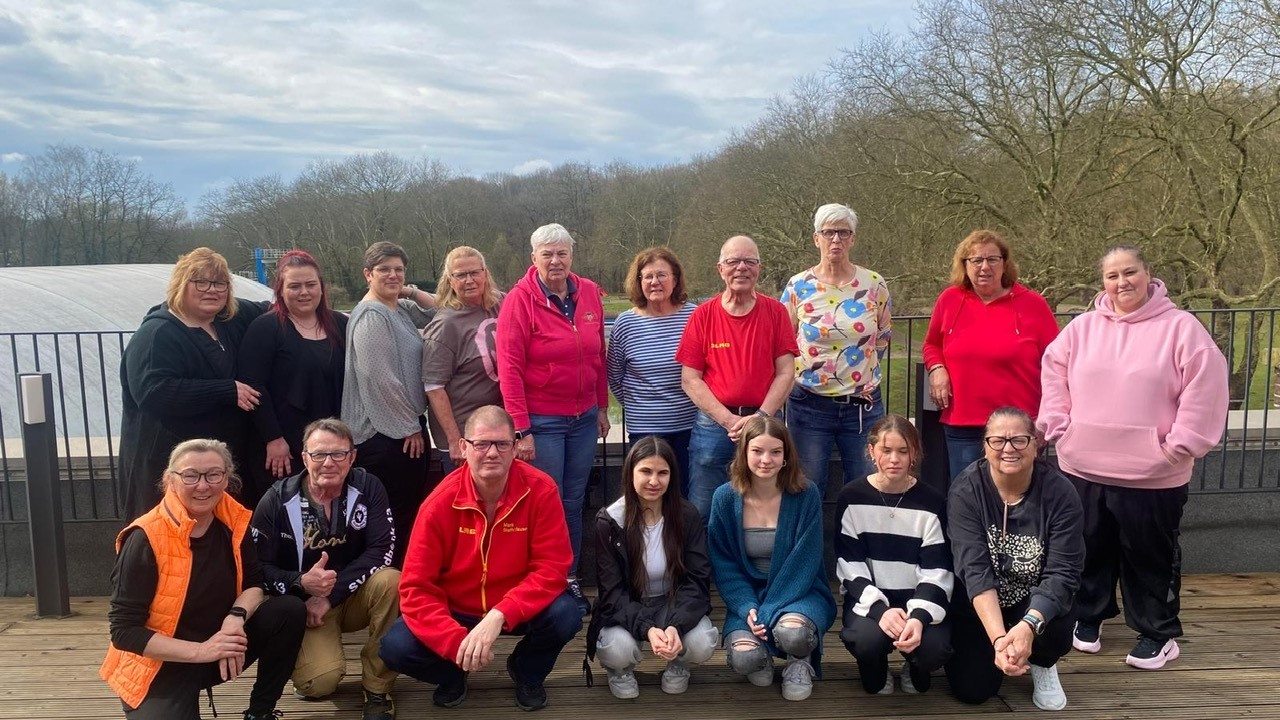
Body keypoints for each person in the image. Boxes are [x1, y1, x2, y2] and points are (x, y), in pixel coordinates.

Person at [1038, 246, 1228, 670]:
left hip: (1154, 473)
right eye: (1112, 275)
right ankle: (1088, 617)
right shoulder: (1082, 328)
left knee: (1149, 556)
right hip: (1083, 466)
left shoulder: (1183, 329)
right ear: (1101, 282)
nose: (1122, 282)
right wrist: (1060, 428)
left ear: (1148, 274)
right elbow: (1053, 374)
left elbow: (1206, 388)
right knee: (1088, 548)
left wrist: (1176, 447)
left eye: (1130, 272)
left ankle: (1157, 632)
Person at [379, 406, 582, 712]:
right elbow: (416, 588)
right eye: (481, 444)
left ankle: (526, 672)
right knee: (395, 647)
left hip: (514, 607)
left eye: (501, 444)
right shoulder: (438, 503)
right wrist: (456, 643)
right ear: (463, 447)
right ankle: (452, 676)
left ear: (515, 447)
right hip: (456, 610)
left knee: (567, 613)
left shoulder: (541, 490)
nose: (491, 453)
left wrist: (500, 614)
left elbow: (552, 569)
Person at [101, 439, 305, 720]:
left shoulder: (235, 521)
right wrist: (201, 651)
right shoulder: (145, 538)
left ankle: (260, 712)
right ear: (170, 480)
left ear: (226, 478)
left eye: (213, 475)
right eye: (190, 475)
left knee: (289, 610)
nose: (203, 485)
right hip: (161, 662)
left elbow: (254, 585)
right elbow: (124, 632)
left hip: (221, 644)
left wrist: (234, 620)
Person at [252, 418, 400, 720]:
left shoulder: (369, 486)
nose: (329, 462)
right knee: (318, 684)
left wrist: (330, 596)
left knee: (393, 581)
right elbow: (256, 568)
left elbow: (382, 549)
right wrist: (300, 583)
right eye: (319, 454)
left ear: (353, 457)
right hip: (304, 607)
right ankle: (312, 662)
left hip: (353, 595)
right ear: (304, 457)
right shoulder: (276, 500)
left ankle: (377, 687)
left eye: (338, 454)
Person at [497, 223, 609, 614]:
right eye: (547, 254)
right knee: (544, 503)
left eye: (562, 253)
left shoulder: (590, 293)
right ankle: (540, 582)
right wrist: (521, 428)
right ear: (534, 258)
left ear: (572, 255)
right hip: (541, 421)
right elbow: (509, 368)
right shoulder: (520, 300)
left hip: (581, 420)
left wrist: (601, 408)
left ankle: (569, 577)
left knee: (574, 501)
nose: (556, 261)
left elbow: (598, 357)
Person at [944, 407, 1083, 711]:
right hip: (980, 604)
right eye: (998, 441)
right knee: (973, 690)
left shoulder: (1060, 493)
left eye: (1019, 440)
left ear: (1036, 444)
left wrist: (1027, 627)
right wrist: (999, 640)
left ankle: (1043, 663)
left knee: (1058, 625)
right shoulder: (966, 491)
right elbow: (974, 571)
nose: (1008, 449)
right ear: (985, 446)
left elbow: (1063, 572)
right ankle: (1004, 650)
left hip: (1031, 601)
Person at [119, 247, 267, 520]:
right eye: (201, 282)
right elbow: (153, 392)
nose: (212, 290)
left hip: (217, 469)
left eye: (220, 283)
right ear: (180, 285)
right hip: (169, 468)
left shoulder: (227, 319)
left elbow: (278, 307)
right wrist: (226, 390)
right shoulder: (157, 334)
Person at [707, 416, 835, 702]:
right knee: (744, 660)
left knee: (793, 636)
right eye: (757, 451)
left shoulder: (806, 494)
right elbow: (724, 563)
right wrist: (747, 606)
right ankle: (761, 653)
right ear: (744, 453)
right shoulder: (724, 498)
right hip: (751, 596)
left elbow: (806, 561)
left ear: (786, 456)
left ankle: (799, 661)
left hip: (799, 592)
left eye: (775, 452)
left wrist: (770, 609)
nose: (766, 460)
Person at [677, 236, 799, 520]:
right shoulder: (703, 315)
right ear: (720, 268)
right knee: (704, 511)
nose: (741, 268)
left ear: (759, 267)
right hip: (714, 426)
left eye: (749, 261)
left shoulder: (775, 312)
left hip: (766, 423)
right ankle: (706, 566)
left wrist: (761, 416)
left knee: (765, 509)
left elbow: (786, 372)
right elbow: (690, 379)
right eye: (733, 261)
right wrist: (728, 420)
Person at [586, 437, 717, 699]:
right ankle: (620, 670)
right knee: (616, 648)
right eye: (645, 471)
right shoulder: (610, 521)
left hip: (672, 601)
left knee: (702, 641)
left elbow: (697, 581)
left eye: (662, 473)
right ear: (630, 472)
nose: (654, 481)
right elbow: (611, 593)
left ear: (672, 476)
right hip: (629, 603)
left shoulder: (686, 515)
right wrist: (647, 627)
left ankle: (679, 665)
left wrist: (675, 627)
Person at [922, 230, 1059, 480]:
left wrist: (1045, 417)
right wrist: (937, 368)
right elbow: (932, 344)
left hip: (1017, 426)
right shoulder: (949, 300)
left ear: (1004, 263)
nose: (984, 267)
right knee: (967, 497)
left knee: (1018, 497)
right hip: (963, 422)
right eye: (976, 260)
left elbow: (1057, 365)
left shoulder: (1033, 305)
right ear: (964, 265)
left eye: (992, 259)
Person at [835, 414, 952, 695]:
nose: (894, 459)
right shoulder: (852, 497)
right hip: (871, 600)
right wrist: (880, 611)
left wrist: (918, 617)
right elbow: (850, 565)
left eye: (903, 451)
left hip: (917, 598)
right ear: (871, 451)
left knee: (933, 649)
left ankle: (915, 665)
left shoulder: (932, 501)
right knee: (868, 644)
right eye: (886, 450)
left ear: (915, 454)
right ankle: (876, 666)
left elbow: (937, 569)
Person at [782, 203, 892, 497]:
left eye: (843, 232)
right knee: (807, 490)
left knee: (869, 487)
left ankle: (862, 544)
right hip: (809, 406)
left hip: (863, 407)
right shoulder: (797, 286)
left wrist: (863, 373)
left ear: (853, 238)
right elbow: (783, 343)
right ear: (816, 238)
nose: (836, 240)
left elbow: (883, 335)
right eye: (828, 232)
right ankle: (810, 545)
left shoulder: (874, 284)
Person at [341, 240, 436, 568]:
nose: (393, 275)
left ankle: (399, 587)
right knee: (392, 518)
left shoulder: (397, 307)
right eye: (384, 270)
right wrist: (408, 427)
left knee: (405, 514)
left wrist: (407, 291)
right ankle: (387, 590)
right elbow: (379, 379)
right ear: (368, 274)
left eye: (399, 270)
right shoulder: (371, 316)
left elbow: (445, 310)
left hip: (401, 428)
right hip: (384, 436)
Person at [239, 250, 348, 508]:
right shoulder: (266, 328)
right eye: (294, 286)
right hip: (283, 447)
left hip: (329, 446)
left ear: (321, 287)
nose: (304, 292)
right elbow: (253, 387)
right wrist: (272, 438)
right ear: (280, 289)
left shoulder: (340, 325)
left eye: (311, 285)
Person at [606, 247, 698, 493]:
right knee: (648, 496)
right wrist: (641, 406)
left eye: (662, 275)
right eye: (647, 276)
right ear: (639, 282)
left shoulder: (695, 316)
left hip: (689, 425)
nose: (654, 282)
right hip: (644, 428)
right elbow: (614, 375)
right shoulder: (625, 323)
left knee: (684, 496)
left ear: (675, 279)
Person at [422, 246, 504, 474]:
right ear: (450, 280)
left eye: (474, 272)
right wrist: (454, 439)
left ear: (485, 273)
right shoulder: (445, 325)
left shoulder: (500, 305)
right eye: (460, 275)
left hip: (496, 428)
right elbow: (433, 387)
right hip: (465, 436)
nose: (469, 280)